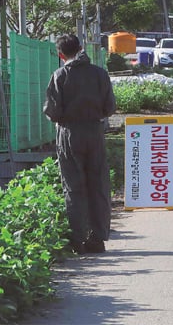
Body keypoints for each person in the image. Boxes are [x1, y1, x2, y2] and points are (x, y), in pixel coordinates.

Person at [44, 34, 117, 253]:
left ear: (60, 54)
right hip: (94, 131)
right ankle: (98, 238)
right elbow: (110, 107)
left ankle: (78, 239)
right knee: (98, 184)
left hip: (69, 133)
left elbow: (52, 110)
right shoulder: (100, 74)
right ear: (81, 48)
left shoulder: (59, 76)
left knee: (73, 186)